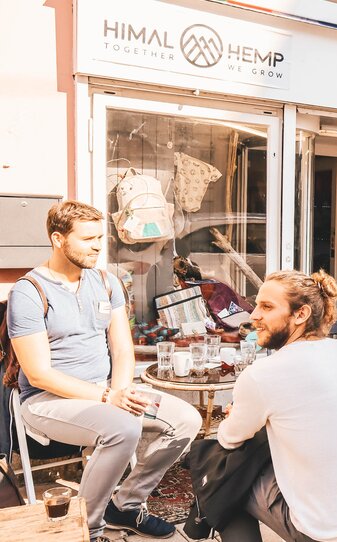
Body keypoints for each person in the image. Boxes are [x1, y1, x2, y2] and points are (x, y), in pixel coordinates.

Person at [6, 201, 202, 541]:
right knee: (123, 427)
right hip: (47, 401)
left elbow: (122, 348)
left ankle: (125, 505)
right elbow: (38, 374)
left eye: (100, 238)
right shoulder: (29, 292)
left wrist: (120, 392)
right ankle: (89, 528)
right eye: (87, 239)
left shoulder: (106, 282)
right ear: (58, 239)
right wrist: (108, 397)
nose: (97, 246)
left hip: (106, 390)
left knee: (186, 419)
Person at [215, 269, 337, 542]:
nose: (253, 315)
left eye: (267, 307)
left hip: (323, 529)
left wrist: (238, 417)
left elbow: (229, 439)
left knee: (226, 477)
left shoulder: (262, 374)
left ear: (301, 314)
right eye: (256, 304)